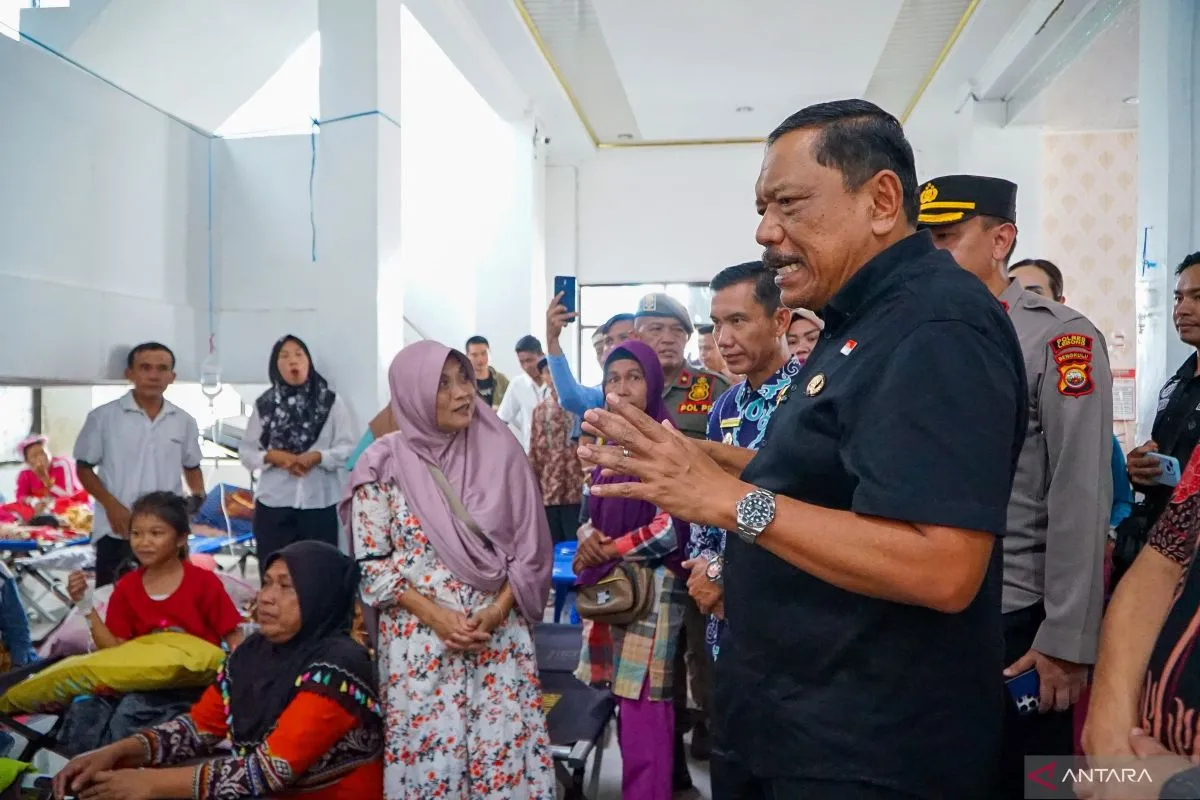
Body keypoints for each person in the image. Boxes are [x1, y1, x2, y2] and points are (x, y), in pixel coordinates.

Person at [578, 99, 1026, 799]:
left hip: (869, 750)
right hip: (794, 723)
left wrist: (728, 501)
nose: (766, 231)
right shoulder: (862, 320)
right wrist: (693, 462)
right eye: (763, 208)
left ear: (881, 200)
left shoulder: (936, 327)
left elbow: (942, 565)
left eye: (788, 204)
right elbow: (829, 478)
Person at [920, 174, 1112, 795]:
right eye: (923, 239)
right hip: (922, 604)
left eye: (947, 237)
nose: (930, 253)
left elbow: (1080, 489)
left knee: (1036, 782)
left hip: (1017, 611)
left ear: (1001, 239)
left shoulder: (1058, 338)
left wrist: (1067, 637)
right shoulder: (914, 331)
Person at [343, 340, 554, 798]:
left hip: (496, 642)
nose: (462, 392)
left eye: (464, 379)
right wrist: (437, 617)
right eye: (442, 383)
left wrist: (496, 612)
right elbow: (372, 565)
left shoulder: (501, 453)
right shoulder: (383, 464)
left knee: (502, 765)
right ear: (412, 393)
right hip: (422, 648)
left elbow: (530, 550)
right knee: (432, 771)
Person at [53, 541, 384, 800]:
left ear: (320, 596)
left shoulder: (339, 665)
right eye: (267, 583)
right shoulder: (252, 655)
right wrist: (116, 753)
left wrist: (149, 783)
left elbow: (270, 769)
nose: (266, 598)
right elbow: (198, 729)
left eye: (286, 587)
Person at [574, 340, 689, 800]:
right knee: (626, 696)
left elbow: (671, 528)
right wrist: (588, 536)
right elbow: (591, 509)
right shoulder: (609, 441)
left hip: (654, 587)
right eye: (613, 378)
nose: (622, 388)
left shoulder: (666, 441)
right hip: (616, 584)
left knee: (645, 700)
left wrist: (610, 549)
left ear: (653, 383)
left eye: (634, 377)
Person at [684, 262, 796, 668]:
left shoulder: (809, 398)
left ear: (780, 320)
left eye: (737, 321)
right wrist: (705, 564)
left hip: (787, 611)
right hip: (723, 616)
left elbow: (803, 502)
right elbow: (705, 499)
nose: (723, 339)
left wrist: (722, 573)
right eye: (717, 324)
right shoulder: (724, 406)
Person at [75, 342, 205, 588]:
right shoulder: (103, 418)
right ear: (130, 373)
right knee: (113, 601)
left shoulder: (184, 421)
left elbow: (192, 467)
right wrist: (112, 506)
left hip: (167, 531)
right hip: (118, 529)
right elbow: (84, 468)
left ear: (172, 377)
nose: (153, 375)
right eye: (145, 368)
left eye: (162, 369)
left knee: (171, 599)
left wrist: (196, 499)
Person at [65, 492, 244, 651]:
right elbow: (113, 650)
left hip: (200, 677)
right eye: (136, 534)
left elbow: (233, 635)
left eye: (156, 533)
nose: (144, 542)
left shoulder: (204, 583)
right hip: (142, 677)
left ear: (181, 538)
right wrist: (84, 604)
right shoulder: (126, 589)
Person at [1116, 252, 1200, 585]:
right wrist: (1142, 469)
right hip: (1160, 551)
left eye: (1198, 297)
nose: (1182, 309)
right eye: (1178, 298)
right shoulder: (1177, 384)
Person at [240, 335, 356, 565]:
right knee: (275, 570)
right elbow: (247, 452)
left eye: (299, 355)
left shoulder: (330, 402)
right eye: (284, 356)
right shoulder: (265, 404)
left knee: (319, 572)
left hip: (319, 504)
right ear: (275, 366)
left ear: (308, 362)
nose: (293, 361)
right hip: (273, 504)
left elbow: (348, 449)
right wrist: (271, 456)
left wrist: (319, 457)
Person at [634, 293, 732, 441]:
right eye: (656, 329)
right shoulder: (623, 388)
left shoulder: (716, 388)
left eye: (678, 330)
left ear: (688, 338)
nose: (668, 339)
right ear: (636, 337)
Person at [528, 359, 583, 544]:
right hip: (549, 490)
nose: (552, 376)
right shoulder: (539, 411)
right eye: (547, 372)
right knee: (552, 546)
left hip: (576, 489)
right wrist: (534, 489)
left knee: (578, 545)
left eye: (556, 371)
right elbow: (534, 451)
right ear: (543, 376)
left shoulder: (580, 405)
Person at [497, 335, 551, 452]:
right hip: (531, 453)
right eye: (522, 362)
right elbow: (502, 419)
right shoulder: (517, 384)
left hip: (559, 454)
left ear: (542, 355)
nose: (526, 366)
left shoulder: (557, 382)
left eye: (530, 360)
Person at [14, 434, 88, 513]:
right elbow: (20, 497)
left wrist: (48, 482)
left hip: (69, 506)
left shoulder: (62, 464)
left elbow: (70, 497)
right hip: (42, 508)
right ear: (27, 462)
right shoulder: (25, 473)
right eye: (34, 456)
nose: (40, 458)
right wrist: (33, 502)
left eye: (42, 452)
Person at [466, 335, 509, 409]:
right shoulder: (463, 382)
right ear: (467, 356)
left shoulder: (502, 380)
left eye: (484, 353)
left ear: (490, 353)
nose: (480, 359)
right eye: (474, 355)